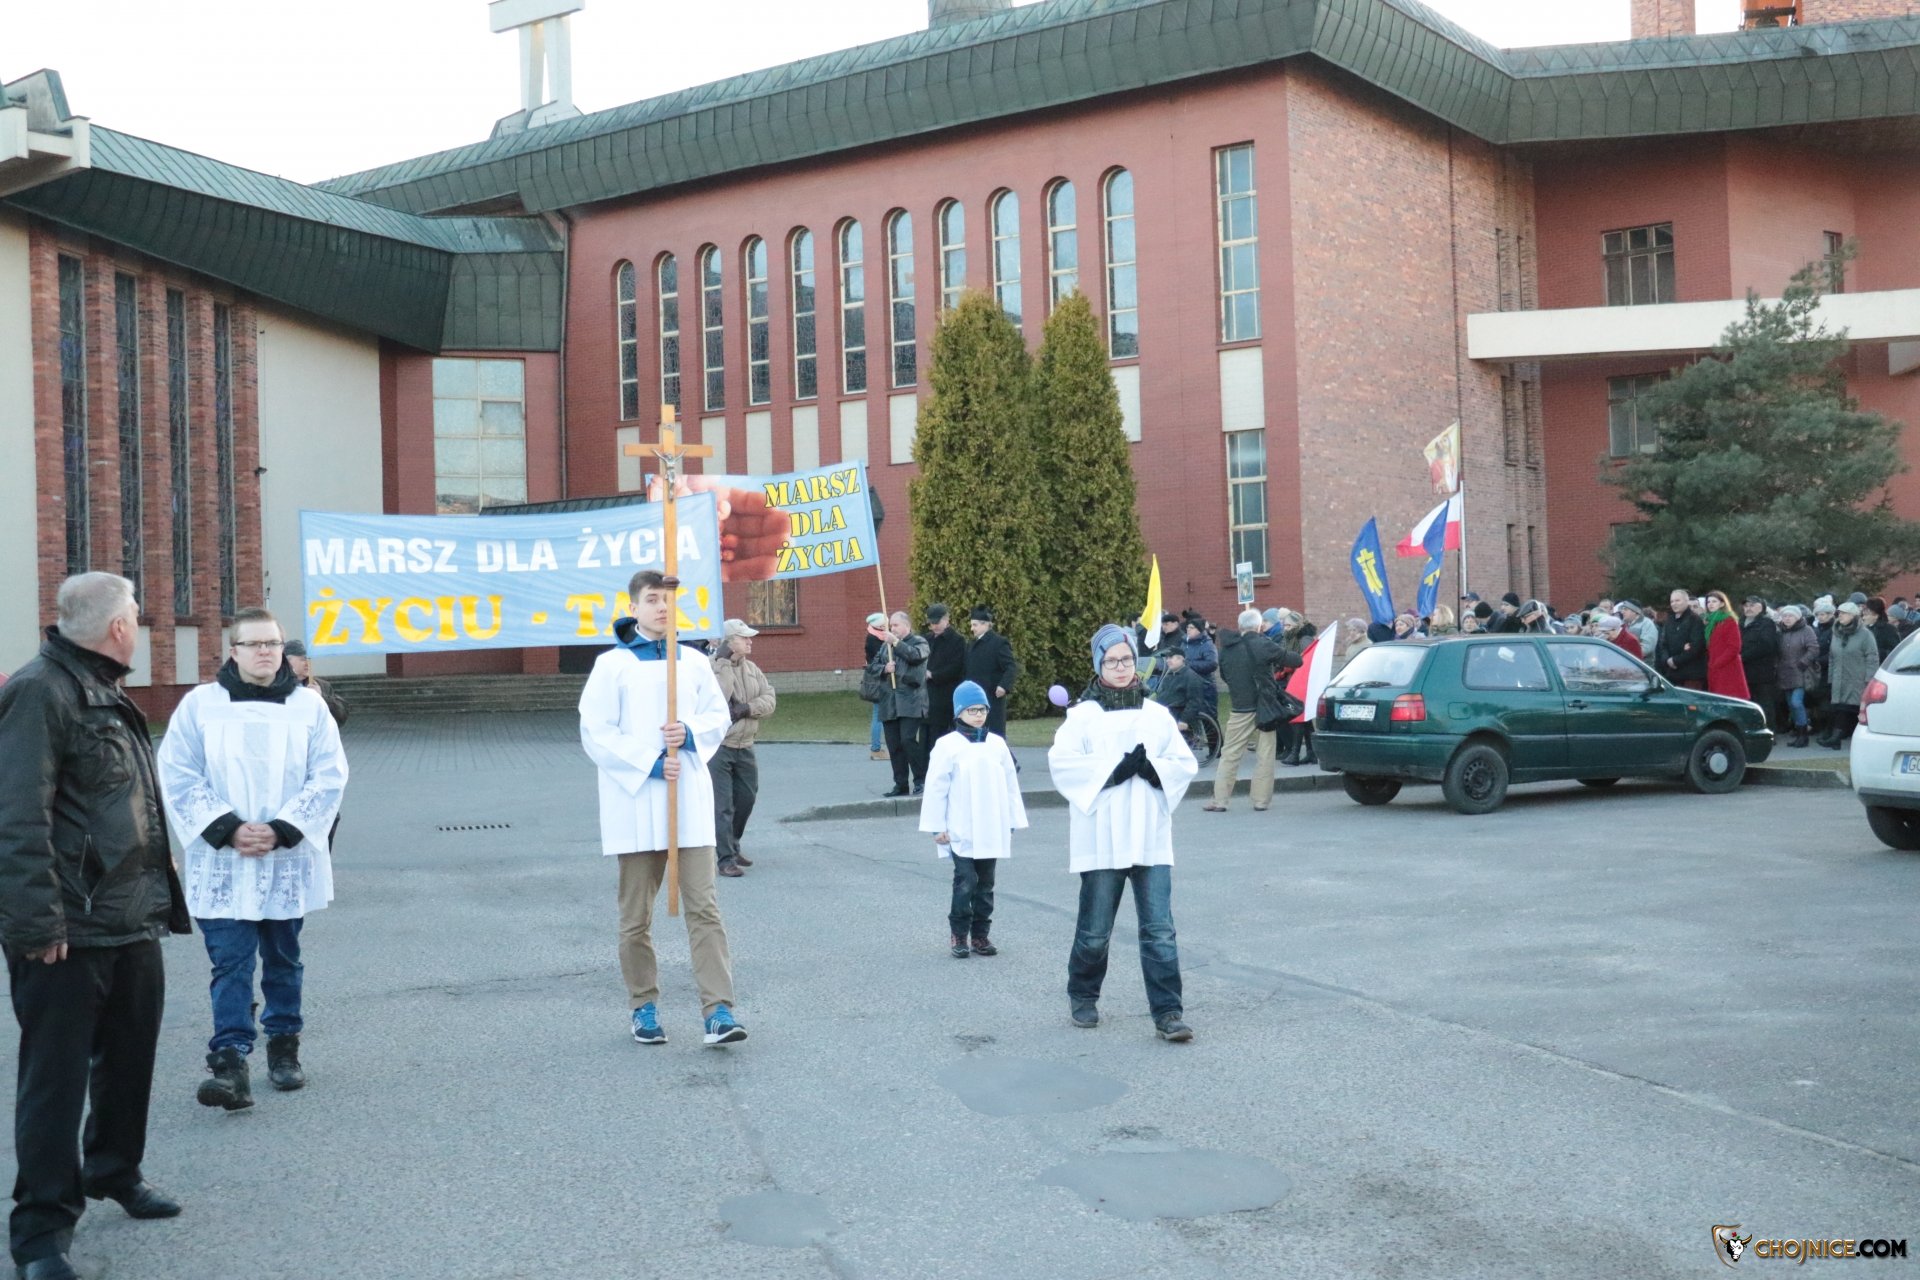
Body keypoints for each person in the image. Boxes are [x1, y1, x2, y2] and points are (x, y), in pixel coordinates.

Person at [0, 573, 193, 1280]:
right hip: (67, 930)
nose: (137, 624)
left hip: (130, 915)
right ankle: (41, 1232)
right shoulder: (40, 691)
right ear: (118, 627)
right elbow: (15, 817)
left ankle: (114, 1169)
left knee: (130, 1059)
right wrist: (35, 924)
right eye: (135, 614)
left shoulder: (103, 687)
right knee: (54, 1082)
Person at [157, 607, 347, 1110]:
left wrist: (282, 829)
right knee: (231, 963)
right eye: (254, 643)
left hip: (284, 858)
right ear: (233, 651)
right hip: (224, 859)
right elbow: (178, 772)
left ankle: (284, 1047)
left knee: (283, 960)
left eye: (272, 643)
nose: (265, 651)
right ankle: (230, 1061)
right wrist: (227, 828)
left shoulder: (308, 708)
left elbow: (329, 775)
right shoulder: (201, 705)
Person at [579, 569, 746, 1049]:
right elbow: (596, 731)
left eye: (668, 599)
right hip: (635, 803)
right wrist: (649, 763)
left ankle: (718, 1011)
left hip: (687, 801)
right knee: (635, 916)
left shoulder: (691, 662)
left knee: (705, 909)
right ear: (634, 607)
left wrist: (689, 733)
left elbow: (717, 715)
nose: (662, 607)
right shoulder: (612, 665)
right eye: (652, 599)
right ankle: (644, 1006)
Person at [1047, 625, 1200, 1042]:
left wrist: (1153, 770)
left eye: (1127, 659)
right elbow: (1062, 764)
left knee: (1160, 930)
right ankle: (1083, 993)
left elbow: (1183, 762)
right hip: (1102, 835)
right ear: (1099, 664)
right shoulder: (1082, 717)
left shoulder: (1156, 715)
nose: (1120, 667)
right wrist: (1113, 772)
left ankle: (1168, 1012)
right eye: (1112, 660)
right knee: (1095, 930)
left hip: (1150, 835)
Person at [919, 680, 1027, 959]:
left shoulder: (997, 745)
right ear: (959, 712)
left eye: (982, 709)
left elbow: (1010, 784)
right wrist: (937, 827)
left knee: (986, 884)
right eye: (972, 710)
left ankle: (981, 935)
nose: (979, 715)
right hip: (961, 827)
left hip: (991, 827)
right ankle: (959, 933)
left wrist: (1012, 820)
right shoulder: (947, 746)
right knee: (966, 880)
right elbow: (936, 788)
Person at [1205, 609, 1298, 813]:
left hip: (1240, 707)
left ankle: (1220, 800)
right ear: (1259, 626)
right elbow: (1294, 661)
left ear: (1240, 626)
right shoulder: (1264, 644)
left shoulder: (1226, 649)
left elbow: (1225, 676)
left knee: (1230, 754)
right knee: (1265, 754)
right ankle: (1261, 801)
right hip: (1265, 707)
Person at [709, 619, 776, 878]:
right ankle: (725, 858)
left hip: (745, 745)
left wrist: (747, 708)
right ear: (729, 642)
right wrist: (723, 663)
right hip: (719, 747)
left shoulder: (752, 669)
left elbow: (769, 699)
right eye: (743, 637)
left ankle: (733, 844)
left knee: (746, 798)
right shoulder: (711, 667)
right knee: (723, 805)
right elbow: (719, 696)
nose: (749, 641)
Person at [869, 612, 931, 797]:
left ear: (907, 626)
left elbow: (915, 656)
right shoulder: (885, 646)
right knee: (894, 744)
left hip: (911, 701)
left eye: (896, 625)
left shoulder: (919, 642)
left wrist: (896, 642)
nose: (892, 628)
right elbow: (872, 666)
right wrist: (884, 669)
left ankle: (921, 780)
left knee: (907, 740)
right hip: (890, 702)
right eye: (891, 625)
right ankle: (901, 783)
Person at [1821, 601, 1878, 749]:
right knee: (1839, 708)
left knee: (1850, 709)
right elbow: (1832, 657)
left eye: (1844, 613)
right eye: (1839, 613)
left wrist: (1869, 679)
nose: (1840, 616)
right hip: (1838, 678)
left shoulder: (1865, 634)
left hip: (1857, 678)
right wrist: (1831, 678)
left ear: (1853, 616)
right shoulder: (1837, 633)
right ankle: (1835, 738)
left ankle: (1838, 737)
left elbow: (1872, 657)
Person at [963, 607, 1018, 738]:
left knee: (993, 735)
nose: (972, 628)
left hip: (991, 697)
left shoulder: (999, 643)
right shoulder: (972, 644)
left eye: (975, 625)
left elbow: (1011, 667)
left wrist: (1003, 686)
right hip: (974, 698)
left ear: (985, 624)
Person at [922, 602, 966, 746]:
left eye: (937, 622)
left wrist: (933, 675)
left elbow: (957, 667)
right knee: (924, 738)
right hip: (926, 696)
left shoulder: (957, 640)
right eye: (931, 623)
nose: (934, 626)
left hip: (945, 696)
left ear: (946, 619)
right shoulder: (926, 639)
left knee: (940, 737)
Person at [1776, 605, 1820, 748]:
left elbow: (1814, 648)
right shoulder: (1780, 631)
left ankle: (1804, 734)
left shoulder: (1806, 630)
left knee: (1796, 702)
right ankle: (1798, 732)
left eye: (1791, 616)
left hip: (1801, 672)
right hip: (1784, 673)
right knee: (1790, 705)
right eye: (1785, 616)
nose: (1787, 618)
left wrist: (1803, 662)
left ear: (1797, 617)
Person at [1151, 648, 1216, 739]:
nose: (1168, 660)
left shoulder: (1191, 677)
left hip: (1178, 715)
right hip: (1164, 714)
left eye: (1171, 657)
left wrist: (1184, 720)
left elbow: (1195, 702)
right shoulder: (1169, 676)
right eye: (1167, 658)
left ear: (1181, 659)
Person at [283, 639, 347, 725]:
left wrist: (322, 698)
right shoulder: (277, 686)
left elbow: (340, 718)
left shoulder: (322, 685)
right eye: (303, 659)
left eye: (309, 659)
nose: (308, 663)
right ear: (288, 662)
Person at [1654, 588, 1708, 689]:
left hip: (1691, 674)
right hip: (1672, 674)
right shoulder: (1669, 620)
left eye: (1677, 600)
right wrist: (1667, 660)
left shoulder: (1695, 620)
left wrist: (1676, 660)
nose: (1674, 604)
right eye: (1672, 601)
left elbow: (1696, 646)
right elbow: (1663, 644)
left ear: (1686, 601)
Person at [1739, 596, 1781, 726]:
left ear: (1761, 607)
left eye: (1752, 605)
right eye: (1746, 606)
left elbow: (1766, 646)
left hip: (1762, 671)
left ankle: (1769, 730)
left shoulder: (1766, 623)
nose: (1748, 608)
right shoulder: (1741, 623)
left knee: (1765, 703)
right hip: (1744, 671)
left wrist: (1743, 656)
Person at [1700, 590, 1749, 700]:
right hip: (1714, 667)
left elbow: (1734, 647)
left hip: (1728, 667)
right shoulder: (1709, 621)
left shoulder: (1728, 620)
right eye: (1708, 602)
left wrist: (1717, 662)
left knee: (1728, 698)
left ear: (1722, 603)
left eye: (1714, 601)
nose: (1710, 604)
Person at [862, 613, 888, 761]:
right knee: (878, 716)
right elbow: (881, 660)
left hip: (880, 680)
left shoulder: (876, 637)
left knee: (879, 715)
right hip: (879, 682)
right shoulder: (874, 640)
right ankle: (876, 749)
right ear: (880, 626)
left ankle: (877, 748)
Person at [1864, 595, 1900, 660]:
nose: (1863, 618)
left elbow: (1895, 651)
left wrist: (1875, 652)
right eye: (1863, 615)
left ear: (1876, 615)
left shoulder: (1889, 629)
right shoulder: (1864, 629)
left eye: (1867, 615)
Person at [1182, 619, 1219, 683]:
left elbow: (1212, 664)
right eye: (1187, 627)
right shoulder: (1184, 642)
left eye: (1191, 628)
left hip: (1203, 683)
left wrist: (1187, 664)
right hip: (1185, 682)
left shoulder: (1207, 644)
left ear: (1199, 630)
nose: (1188, 629)